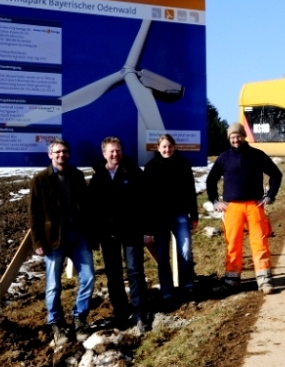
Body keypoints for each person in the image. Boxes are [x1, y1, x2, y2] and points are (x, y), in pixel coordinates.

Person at [28, 138, 95, 345]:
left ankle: (79, 318)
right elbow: (34, 214)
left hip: (78, 236)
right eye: (57, 152)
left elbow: (85, 206)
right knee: (54, 284)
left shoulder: (76, 175)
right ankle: (56, 322)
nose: (61, 155)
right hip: (53, 239)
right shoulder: (39, 180)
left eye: (64, 151)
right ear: (50, 155)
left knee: (89, 276)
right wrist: (37, 241)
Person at [206, 122, 282, 295]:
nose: (235, 139)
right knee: (232, 243)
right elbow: (211, 180)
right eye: (232, 137)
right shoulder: (224, 158)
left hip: (254, 205)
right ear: (229, 139)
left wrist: (269, 196)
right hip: (232, 208)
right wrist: (215, 201)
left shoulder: (257, 155)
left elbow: (276, 175)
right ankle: (231, 281)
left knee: (259, 242)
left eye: (238, 136)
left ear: (243, 136)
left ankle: (264, 280)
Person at [89, 137, 151, 333]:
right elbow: (93, 210)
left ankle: (141, 313)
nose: (115, 154)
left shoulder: (133, 173)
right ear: (104, 154)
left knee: (135, 272)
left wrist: (147, 230)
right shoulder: (98, 177)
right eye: (111, 151)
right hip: (109, 234)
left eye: (117, 150)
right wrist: (94, 235)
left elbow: (145, 203)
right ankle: (122, 313)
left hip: (132, 231)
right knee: (114, 275)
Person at [144, 133, 200, 309]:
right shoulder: (151, 167)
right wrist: (148, 225)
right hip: (159, 219)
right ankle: (167, 291)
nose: (167, 150)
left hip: (180, 215)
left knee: (185, 251)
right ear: (158, 148)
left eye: (169, 146)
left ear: (174, 147)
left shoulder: (183, 165)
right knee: (162, 256)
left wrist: (194, 216)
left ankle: (188, 286)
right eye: (163, 147)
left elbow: (191, 191)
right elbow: (147, 199)